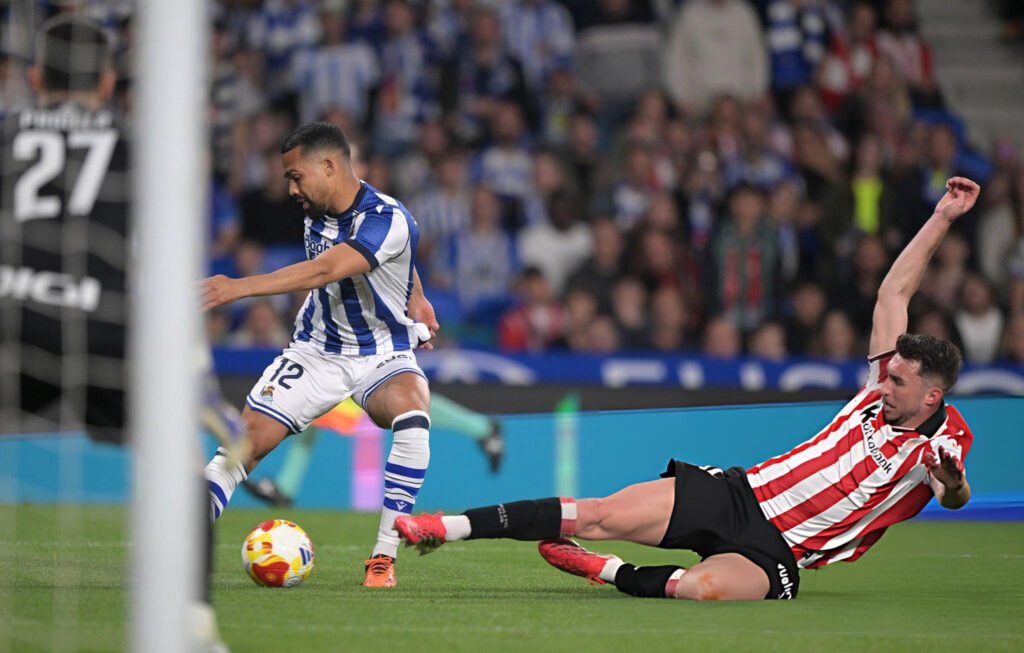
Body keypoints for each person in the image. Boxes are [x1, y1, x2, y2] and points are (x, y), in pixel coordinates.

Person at [394, 178, 981, 601]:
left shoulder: (946, 442)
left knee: (701, 589)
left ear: (932, 397)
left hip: (779, 553)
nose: (884, 384)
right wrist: (942, 218)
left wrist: (952, 483)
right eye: (889, 373)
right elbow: (892, 297)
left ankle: (608, 572)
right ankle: (446, 527)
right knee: (596, 513)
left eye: (899, 381)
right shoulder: (880, 382)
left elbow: (953, 494)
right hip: (739, 494)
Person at [0, 17, 233, 651]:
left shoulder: (6, 132)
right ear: (107, 84)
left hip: (8, 327)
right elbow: (160, 268)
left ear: (33, 76)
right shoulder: (143, 146)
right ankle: (194, 626)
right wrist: (197, 377)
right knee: (182, 465)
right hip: (102, 334)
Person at [201, 121, 438, 588]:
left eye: (296, 176)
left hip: (379, 354)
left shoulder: (387, 217)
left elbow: (327, 267)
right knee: (240, 447)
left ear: (329, 166)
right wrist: (417, 292)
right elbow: (389, 261)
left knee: (414, 413)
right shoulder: (318, 206)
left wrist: (238, 286)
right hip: (316, 350)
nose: (291, 188)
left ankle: (383, 558)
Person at [243, 394, 505, 507]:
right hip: (358, 346)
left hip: (372, 347)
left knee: (407, 404)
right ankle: (286, 487)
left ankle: (483, 428)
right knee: (316, 410)